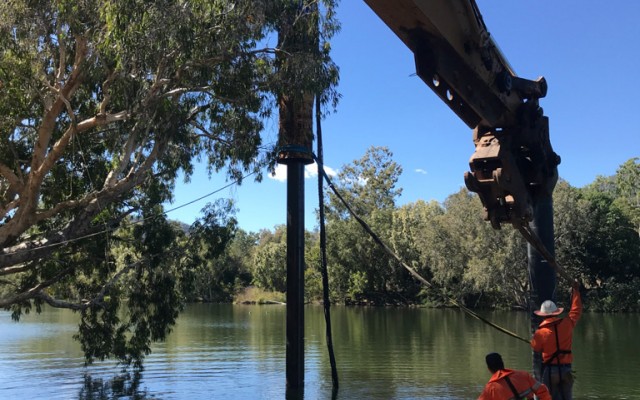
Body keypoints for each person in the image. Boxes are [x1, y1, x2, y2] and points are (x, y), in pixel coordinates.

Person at [530, 280, 582, 400]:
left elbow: (536, 347)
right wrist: (576, 292)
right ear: (556, 312)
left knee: (547, 397)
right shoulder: (567, 323)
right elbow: (576, 310)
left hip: (551, 370)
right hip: (566, 369)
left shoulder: (540, 332)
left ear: (542, 315)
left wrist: (533, 341)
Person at [478, 352, 551, 400]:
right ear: (503, 364)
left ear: (489, 369)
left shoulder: (490, 389)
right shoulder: (523, 375)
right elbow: (543, 390)